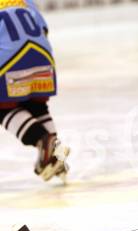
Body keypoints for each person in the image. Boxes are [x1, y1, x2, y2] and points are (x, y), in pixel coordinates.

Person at [0, 0, 69, 182]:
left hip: (12, 60)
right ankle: (55, 156)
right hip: (43, 58)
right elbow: (43, 29)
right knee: (36, 107)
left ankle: (42, 140)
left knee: (3, 107)